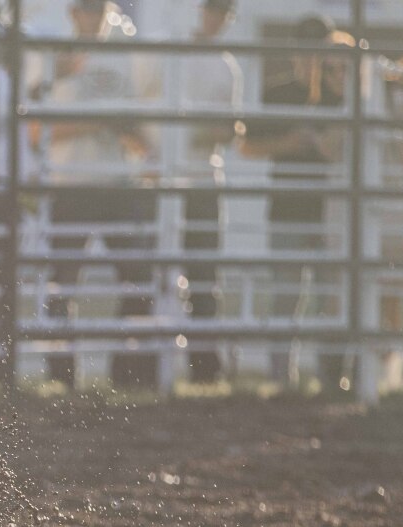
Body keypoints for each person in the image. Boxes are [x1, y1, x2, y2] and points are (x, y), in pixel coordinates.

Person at [40, 0, 160, 389]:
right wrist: (98, 120)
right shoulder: (54, 60)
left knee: (137, 278)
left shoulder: (129, 59)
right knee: (62, 283)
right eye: (85, 8)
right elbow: (36, 130)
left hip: (118, 184)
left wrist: (127, 131)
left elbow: (142, 134)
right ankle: (61, 375)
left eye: (97, 8)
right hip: (71, 183)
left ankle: (129, 373)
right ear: (72, 14)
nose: (91, 15)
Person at [242, 14, 349, 387]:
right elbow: (248, 145)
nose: (310, 59)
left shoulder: (342, 93)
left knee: (330, 295)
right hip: (289, 205)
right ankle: (282, 378)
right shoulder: (277, 92)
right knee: (287, 295)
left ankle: (331, 376)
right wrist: (287, 144)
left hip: (332, 208)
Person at [175, 0, 241, 382]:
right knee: (155, 270)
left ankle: (202, 367)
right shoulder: (175, 52)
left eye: (222, 11)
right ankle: (142, 368)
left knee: (202, 274)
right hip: (171, 175)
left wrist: (188, 130)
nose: (215, 17)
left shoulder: (226, 66)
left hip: (200, 176)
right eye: (211, 8)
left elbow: (227, 129)